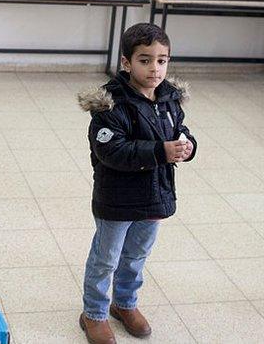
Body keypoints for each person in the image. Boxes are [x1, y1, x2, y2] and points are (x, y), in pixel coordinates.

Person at [76, 23, 197, 344]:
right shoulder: (109, 104)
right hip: (116, 199)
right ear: (126, 63)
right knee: (106, 259)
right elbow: (111, 151)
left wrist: (187, 146)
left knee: (136, 256)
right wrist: (161, 150)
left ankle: (124, 304)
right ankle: (94, 314)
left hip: (154, 195)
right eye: (145, 60)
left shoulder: (170, 98)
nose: (155, 68)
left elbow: (181, 131)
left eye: (162, 60)